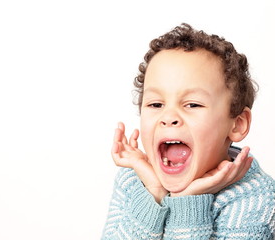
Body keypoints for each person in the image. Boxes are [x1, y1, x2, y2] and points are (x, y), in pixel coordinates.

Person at [101, 23, 275, 239]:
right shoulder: (133, 180)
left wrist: (187, 201)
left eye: (192, 104)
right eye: (156, 104)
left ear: (237, 124)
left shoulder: (256, 199)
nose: (169, 117)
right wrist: (154, 193)